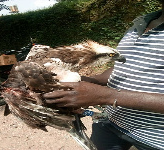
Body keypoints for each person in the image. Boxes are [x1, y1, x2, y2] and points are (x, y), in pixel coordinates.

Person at [43, 1, 164, 150]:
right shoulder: (140, 23)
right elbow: (123, 67)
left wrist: (106, 96)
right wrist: (92, 81)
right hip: (110, 123)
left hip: (153, 138)